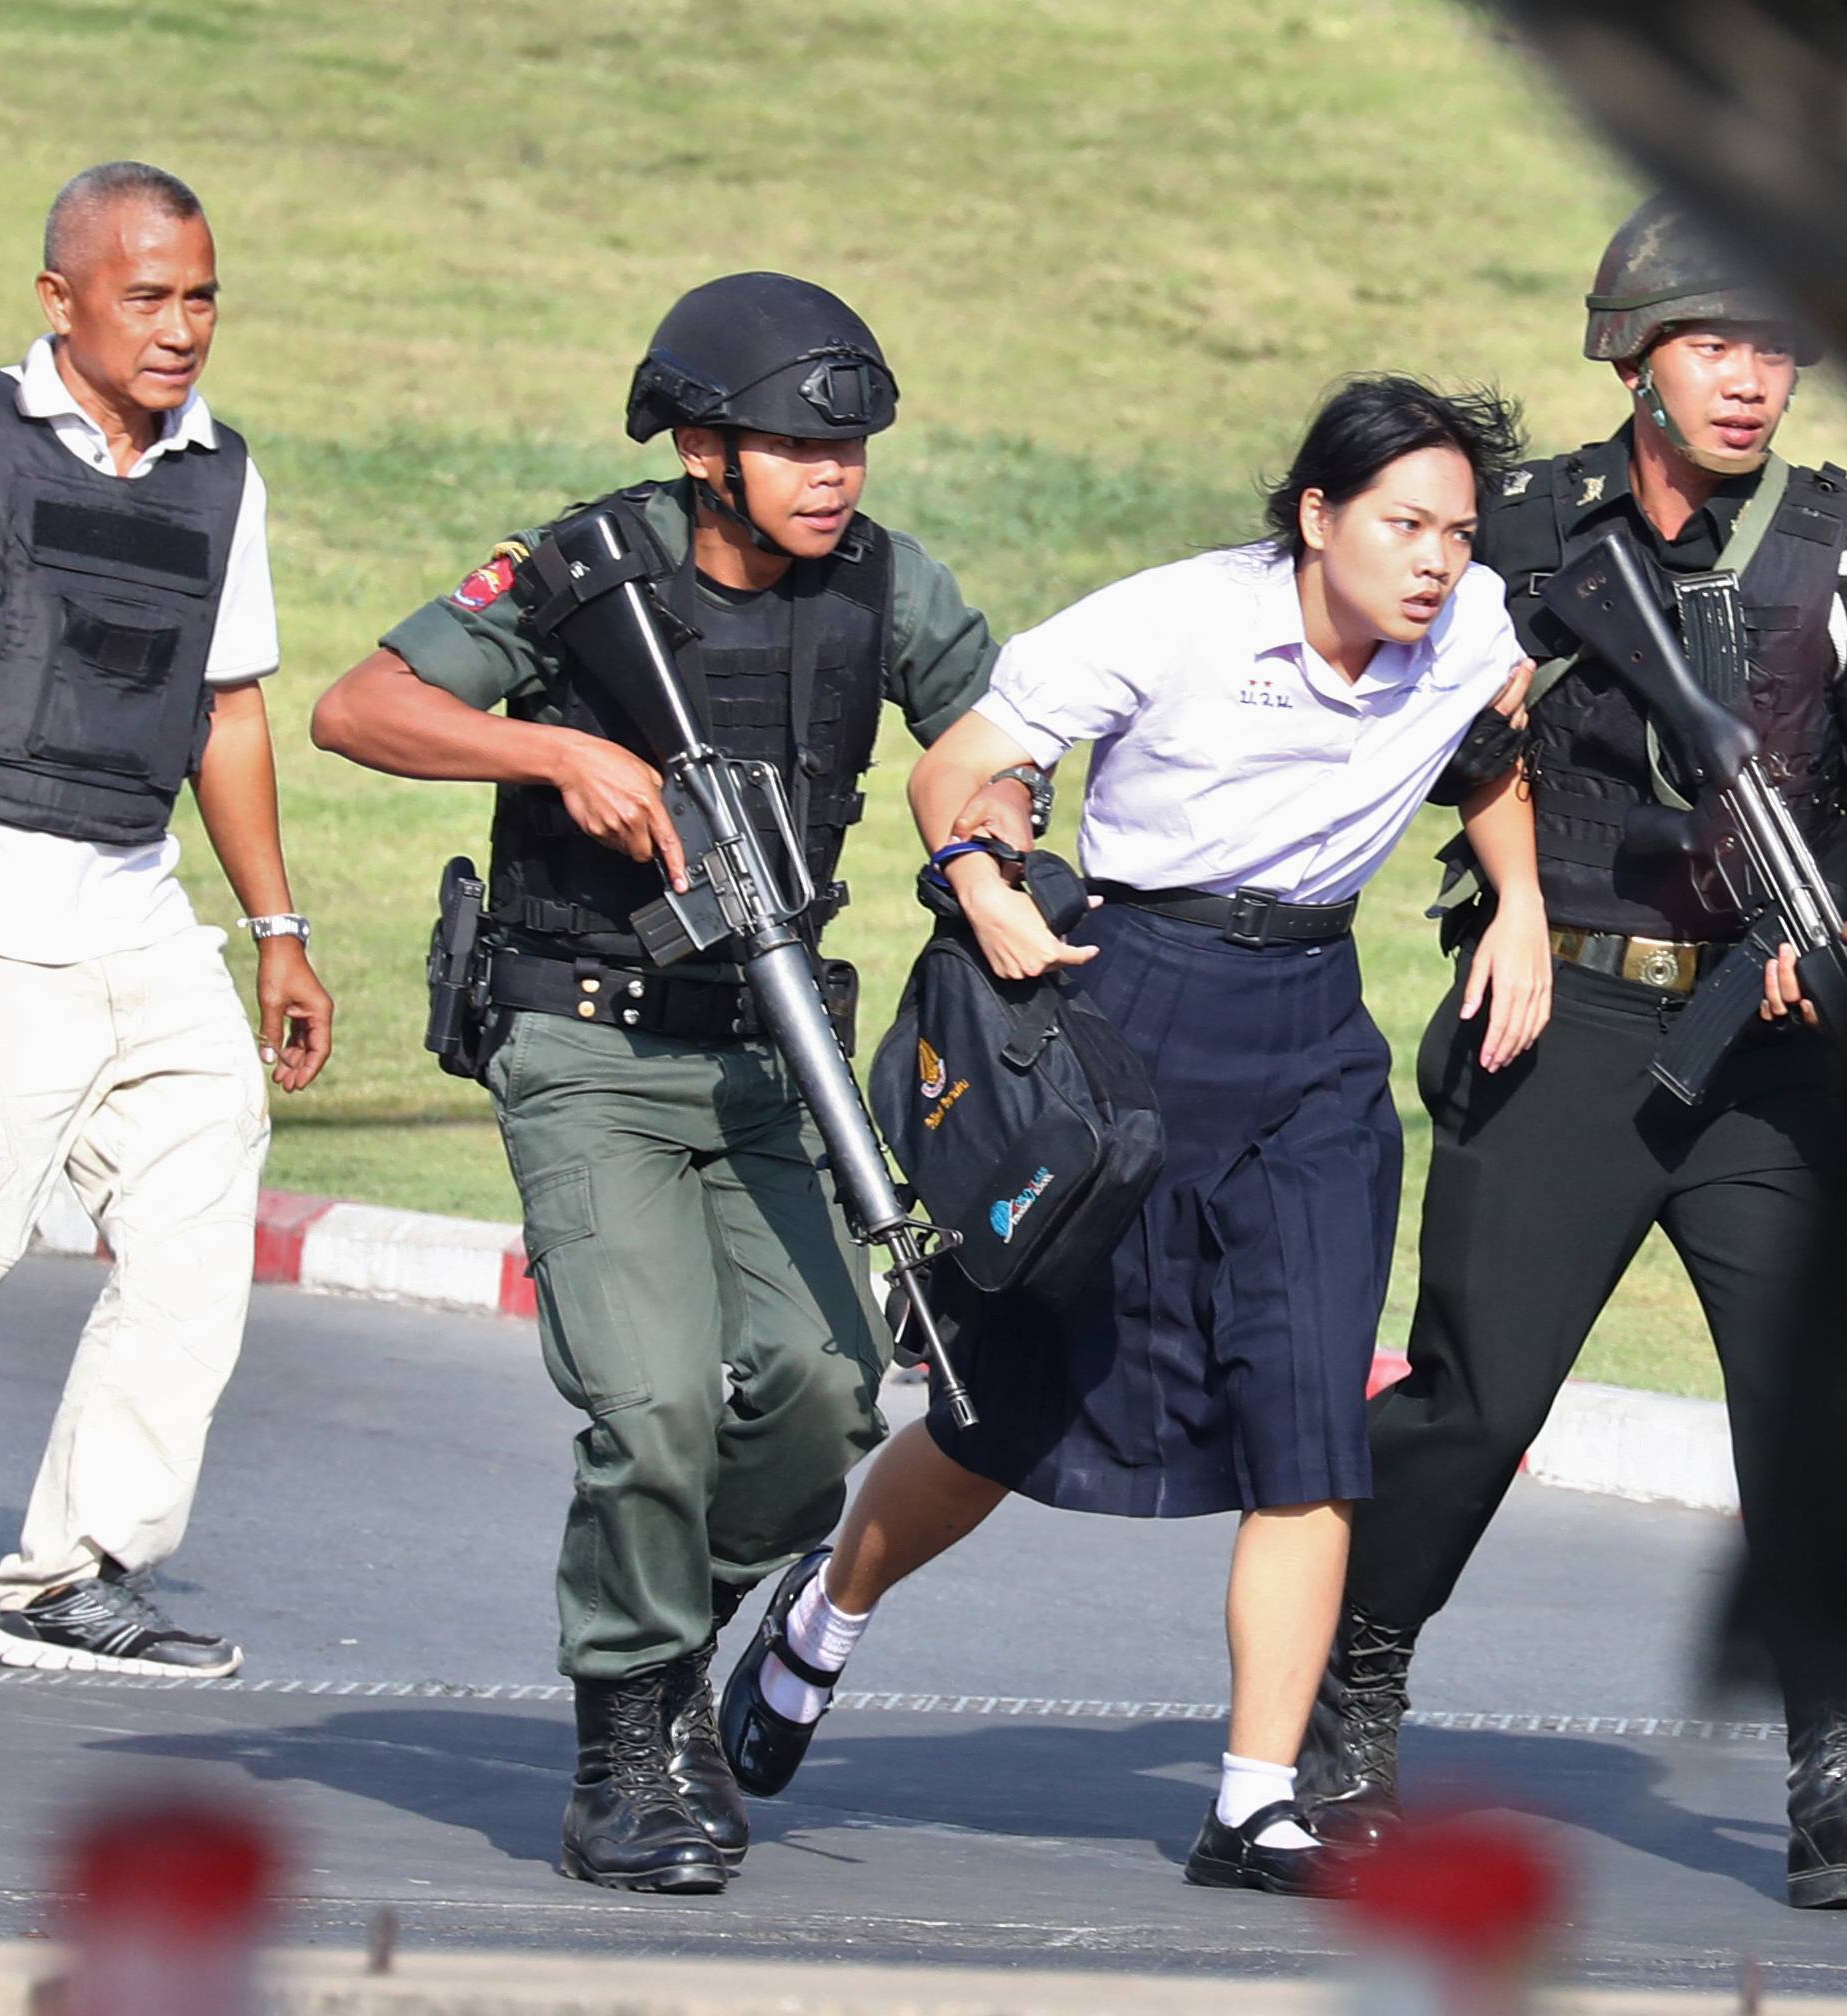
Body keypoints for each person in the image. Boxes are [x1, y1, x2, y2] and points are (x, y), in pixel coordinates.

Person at [713, 374, 1551, 1898]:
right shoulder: (1168, 621)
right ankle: (821, 1618)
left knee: (1312, 1419)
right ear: (1317, 515)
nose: (1435, 559)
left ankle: (1251, 1801)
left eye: (1456, 529)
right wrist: (981, 884)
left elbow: (1488, 755)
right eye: (1403, 524)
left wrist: (1529, 907)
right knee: (1000, 1418)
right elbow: (956, 765)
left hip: (1312, 1034)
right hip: (1123, 1016)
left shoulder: (1475, 623)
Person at [311, 272, 1028, 1895]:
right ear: (703, 445)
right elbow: (362, 707)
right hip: (585, 1044)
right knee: (649, 1409)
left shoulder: (882, 587)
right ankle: (627, 1747)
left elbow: (985, 730)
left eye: (853, 448)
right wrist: (559, 752)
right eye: (793, 445)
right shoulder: (580, 571)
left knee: (827, 1392)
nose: (833, 475)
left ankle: (656, 1658)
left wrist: (991, 829)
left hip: (774, 1055)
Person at [1297, 198, 1847, 1912]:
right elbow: (1427, 720)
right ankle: (1352, 1682)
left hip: (1779, 1036)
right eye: (1712, 345)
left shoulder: (1836, 548)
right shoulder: (1521, 536)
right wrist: (1518, 899)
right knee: (1480, 1396)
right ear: (1632, 354)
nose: (1750, 382)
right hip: (1572, 1007)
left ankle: (1831, 1759)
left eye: (1774, 350)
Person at [0, 162, 333, 1680]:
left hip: (144, 923)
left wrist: (277, 928)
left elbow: (228, 713)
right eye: (147, 296)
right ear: (61, 300)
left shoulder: (224, 474)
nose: (182, 327)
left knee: (191, 1228)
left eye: (204, 295)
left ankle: (69, 1578)